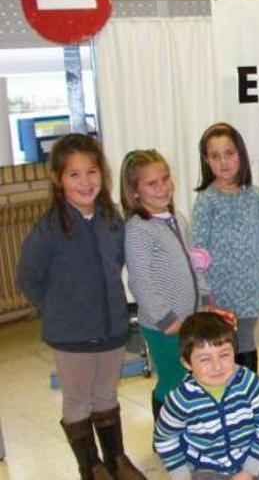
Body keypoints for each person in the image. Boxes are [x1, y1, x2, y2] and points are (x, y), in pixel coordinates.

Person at [17, 134, 146, 479]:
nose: (85, 182)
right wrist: (60, 308)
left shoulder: (111, 218)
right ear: (58, 180)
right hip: (70, 334)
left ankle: (116, 459)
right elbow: (28, 278)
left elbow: (118, 261)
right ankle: (90, 466)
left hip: (112, 328)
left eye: (91, 172)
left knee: (106, 393)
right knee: (78, 400)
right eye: (74, 174)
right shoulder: (48, 229)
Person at [121, 149, 207, 423]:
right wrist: (165, 318)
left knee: (189, 377)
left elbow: (193, 261)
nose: (162, 187)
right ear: (135, 192)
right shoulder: (138, 229)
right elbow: (139, 279)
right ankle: (165, 433)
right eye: (151, 183)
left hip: (188, 319)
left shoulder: (177, 218)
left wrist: (205, 295)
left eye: (165, 178)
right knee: (172, 381)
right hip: (164, 325)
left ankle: (190, 427)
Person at [154, 312, 259, 480]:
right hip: (206, 469)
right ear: (186, 363)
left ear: (235, 352)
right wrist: (182, 476)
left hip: (250, 458)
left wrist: (249, 470)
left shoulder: (249, 383)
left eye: (224, 355)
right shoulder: (180, 400)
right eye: (205, 359)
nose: (217, 366)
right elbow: (165, 439)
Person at [192, 123, 259, 372]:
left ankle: (248, 390)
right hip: (219, 287)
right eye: (215, 156)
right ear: (206, 161)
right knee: (222, 341)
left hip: (251, 284)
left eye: (229, 153)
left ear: (240, 155)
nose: (223, 162)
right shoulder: (206, 200)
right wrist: (204, 290)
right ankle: (226, 392)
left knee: (246, 339)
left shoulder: (255, 196)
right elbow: (198, 251)